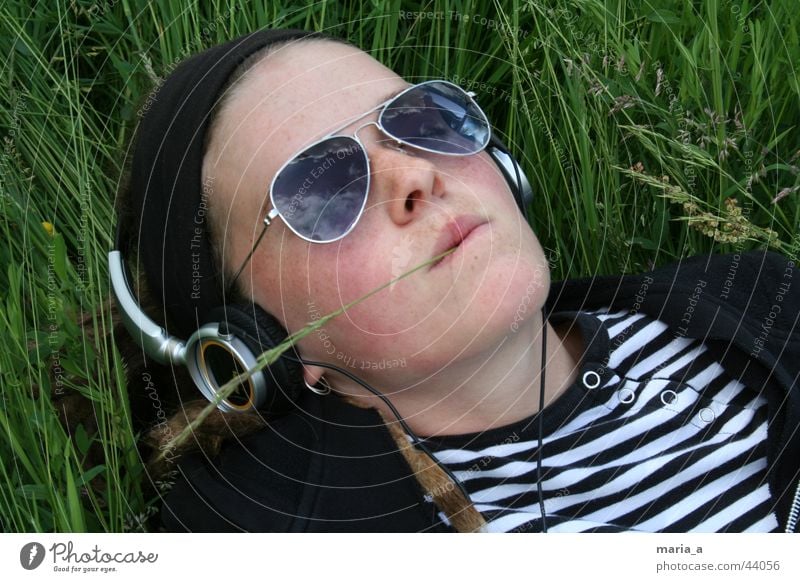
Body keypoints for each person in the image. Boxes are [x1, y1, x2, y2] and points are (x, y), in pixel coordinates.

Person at [112, 28, 800, 533]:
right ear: (252, 342)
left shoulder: (763, 299)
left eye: (417, 120)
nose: (416, 174)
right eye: (325, 187)